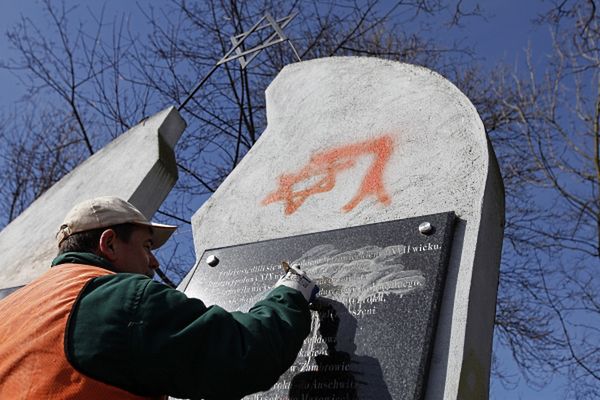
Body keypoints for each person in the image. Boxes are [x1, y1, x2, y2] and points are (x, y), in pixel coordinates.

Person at [0, 196, 318, 399]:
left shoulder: (10, 310)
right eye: (147, 247)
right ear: (109, 244)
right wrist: (290, 294)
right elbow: (244, 352)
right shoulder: (120, 299)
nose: (154, 262)